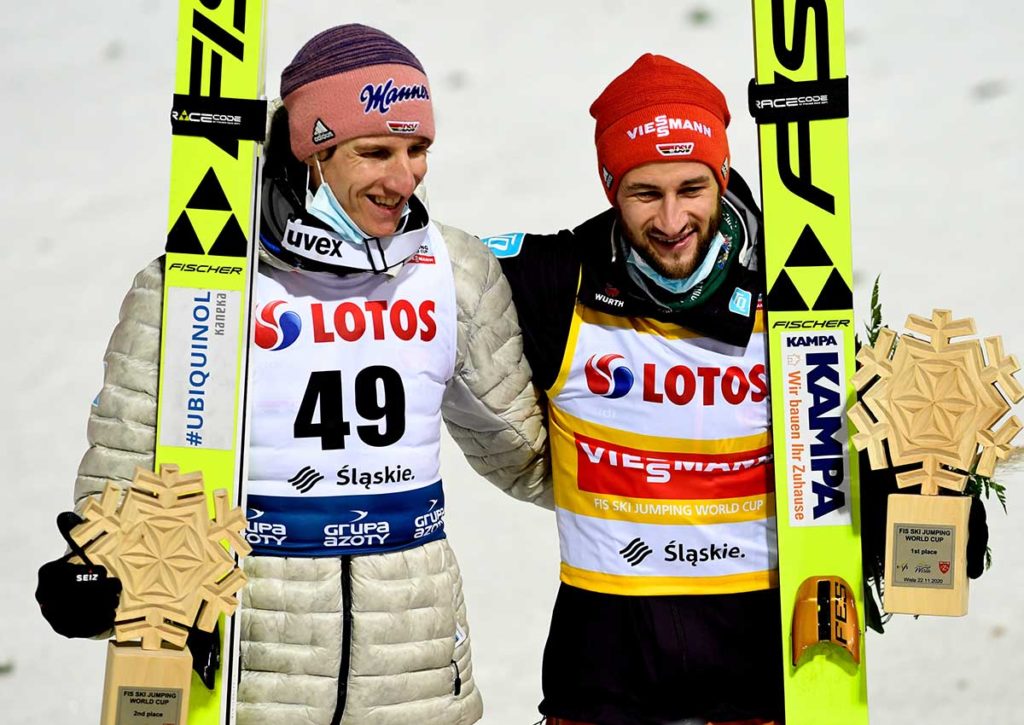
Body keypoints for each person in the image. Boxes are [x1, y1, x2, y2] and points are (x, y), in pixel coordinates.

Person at [38, 24, 548, 725]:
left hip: (417, 679)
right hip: (250, 676)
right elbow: (131, 488)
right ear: (313, 150)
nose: (404, 178)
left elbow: (531, 457)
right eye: (376, 151)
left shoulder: (453, 272)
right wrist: (98, 584)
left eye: (418, 149)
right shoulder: (201, 286)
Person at [486, 54, 781, 725]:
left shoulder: (793, 291)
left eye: (692, 187)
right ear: (611, 188)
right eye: (645, 193)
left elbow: (847, 438)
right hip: (603, 681)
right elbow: (417, 271)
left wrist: (914, 507)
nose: (673, 220)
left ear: (723, 177)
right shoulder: (559, 276)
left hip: (756, 678)